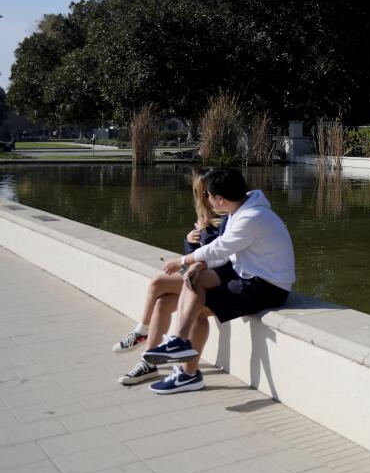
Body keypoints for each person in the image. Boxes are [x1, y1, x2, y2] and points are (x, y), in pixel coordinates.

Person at [143, 167, 294, 394]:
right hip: (247, 274)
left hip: (267, 286)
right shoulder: (242, 210)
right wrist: (197, 264)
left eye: (208, 195)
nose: (207, 199)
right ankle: (182, 352)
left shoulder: (251, 218)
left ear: (220, 199)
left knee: (199, 308)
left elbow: (221, 247)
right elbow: (224, 253)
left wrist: (183, 260)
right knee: (195, 277)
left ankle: (187, 369)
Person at [114, 172, 229, 385]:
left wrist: (202, 239)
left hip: (214, 279)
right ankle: (148, 364)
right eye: (200, 192)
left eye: (205, 191)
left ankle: (142, 332)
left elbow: (220, 256)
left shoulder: (226, 215)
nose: (204, 196)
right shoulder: (205, 215)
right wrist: (189, 239)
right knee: (161, 303)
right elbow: (197, 252)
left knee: (158, 282)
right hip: (200, 275)